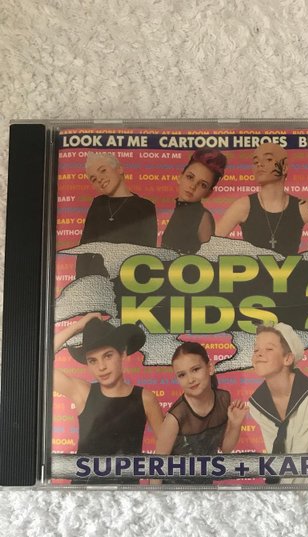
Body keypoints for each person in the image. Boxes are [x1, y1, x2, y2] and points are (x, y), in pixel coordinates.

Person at [53, 313, 163, 466]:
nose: (101, 367)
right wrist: (78, 326)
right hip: (86, 480)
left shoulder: (145, 398)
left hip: (128, 481)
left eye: (108, 356)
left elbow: (167, 449)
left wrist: (154, 480)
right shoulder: (83, 393)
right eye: (93, 360)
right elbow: (40, 361)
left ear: (122, 354)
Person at [249, 323, 308, 484]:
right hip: (288, 482)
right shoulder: (256, 404)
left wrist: (280, 494)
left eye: (269, 349)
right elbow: (275, 451)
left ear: (287, 358)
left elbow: (304, 457)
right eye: (256, 349)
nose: (259, 354)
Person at [155, 341, 247, 484]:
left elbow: (226, 449)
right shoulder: (175, 417)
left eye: (195, 369)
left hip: (205, 488)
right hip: (175, 491)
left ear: (210, 368)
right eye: (182, 375)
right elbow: (156, 469)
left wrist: (235, 425)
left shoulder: (223, 398)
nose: (190, 379)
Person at [216, 142, 308, 255]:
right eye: (256, 162)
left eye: (268, 159)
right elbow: (211, 244)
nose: (260, 164)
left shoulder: (302, 207)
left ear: (284, 168)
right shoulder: (243, 206)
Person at [76, 152, 157, 278]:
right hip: (96, 279)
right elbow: (84, 250)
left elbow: (147, 252)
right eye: (93, 179)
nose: (99, 179)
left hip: (128, 278)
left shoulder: (145, 207)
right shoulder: (97, 204)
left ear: (119, 169)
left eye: (103, 170)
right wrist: (81, 283)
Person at [161, 149, 227, 254]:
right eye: (190, 177)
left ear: (208, 193)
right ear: (180, 177)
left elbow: (211, 259)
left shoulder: (203, 217)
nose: (193, 186)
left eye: (203, 185)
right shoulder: (178, 210)